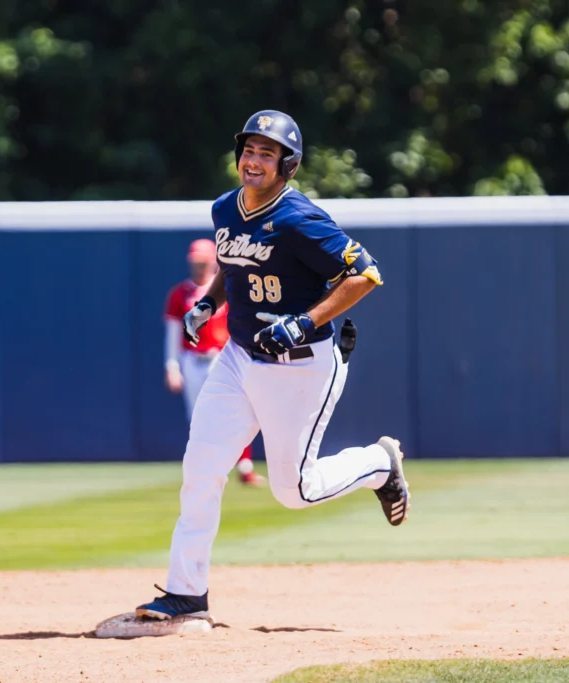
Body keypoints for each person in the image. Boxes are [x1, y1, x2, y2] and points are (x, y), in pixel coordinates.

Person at [135, 110, 410, 622]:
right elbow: (232, 261)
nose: (254, 160)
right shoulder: (224, 208)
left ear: (289, 166)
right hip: (239, 358)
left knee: (294, 490)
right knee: (200, 468)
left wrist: (304, 322)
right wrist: (208, 302)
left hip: (300, 365)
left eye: (268, 153)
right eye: (250, 150)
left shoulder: (298, 218)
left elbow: (366, 273)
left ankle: (379, 464)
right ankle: (186, 593)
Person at [164, 239, 265, 487]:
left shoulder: (227, 289)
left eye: (204, 262)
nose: (199, 267)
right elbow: (173, 331)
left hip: (222, 357)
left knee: (236, 410)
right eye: (195, 262)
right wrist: (171, 365)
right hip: (192, 358)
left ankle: (244, 467)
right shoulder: (181, 293)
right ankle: (205, 468)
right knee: (197, 417)